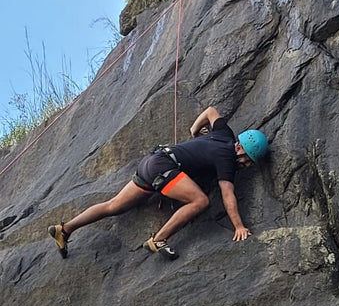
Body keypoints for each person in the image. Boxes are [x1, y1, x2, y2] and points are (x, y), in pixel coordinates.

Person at [48, 106, 268, 261]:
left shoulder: (224, 133)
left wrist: (194, 131)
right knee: (200, 201)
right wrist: (239, 226)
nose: (247, 165)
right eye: (248, 159)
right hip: (164, 168)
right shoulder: (227, 159)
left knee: (114, 205)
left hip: (153, 162)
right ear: (239, 148)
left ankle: (64, 229)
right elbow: (227, 193)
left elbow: (211, 111)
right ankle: (158, 239)